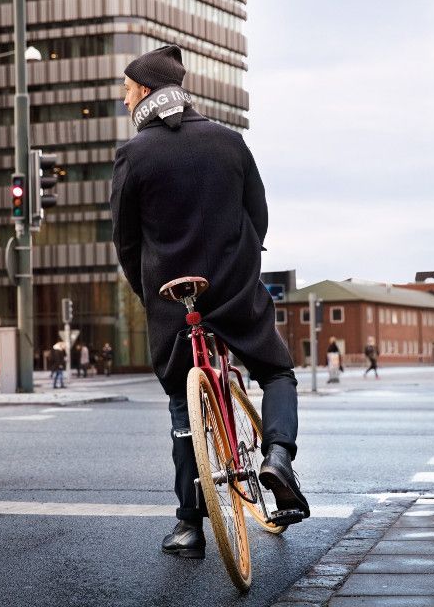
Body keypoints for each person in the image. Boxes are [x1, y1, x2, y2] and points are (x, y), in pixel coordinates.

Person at [110, 45, 309, 560]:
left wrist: (147, 291)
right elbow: (258, 215)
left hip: (171, 294)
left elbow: (126, 241)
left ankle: (189, 526)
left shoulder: (134, 154)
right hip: (234, 285)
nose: (124, 96)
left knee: (183, 401)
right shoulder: (228, 141)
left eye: (128, 88)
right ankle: (279, 456)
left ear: (147, 92)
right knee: (276, 371)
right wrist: (242, 264)